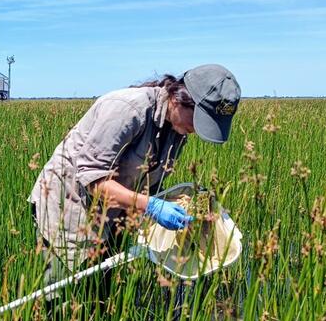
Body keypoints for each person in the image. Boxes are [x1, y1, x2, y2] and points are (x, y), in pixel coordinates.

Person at [28, 64, 241, 304]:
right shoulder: (128, 109)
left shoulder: (177, 130)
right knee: (59, 301)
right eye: (198, 120)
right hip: (67, 210)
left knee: (98, 294)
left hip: (113, 214)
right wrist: (150, 206)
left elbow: (148, 183)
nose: (195, 131)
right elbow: (92, 179)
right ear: (181, 98)